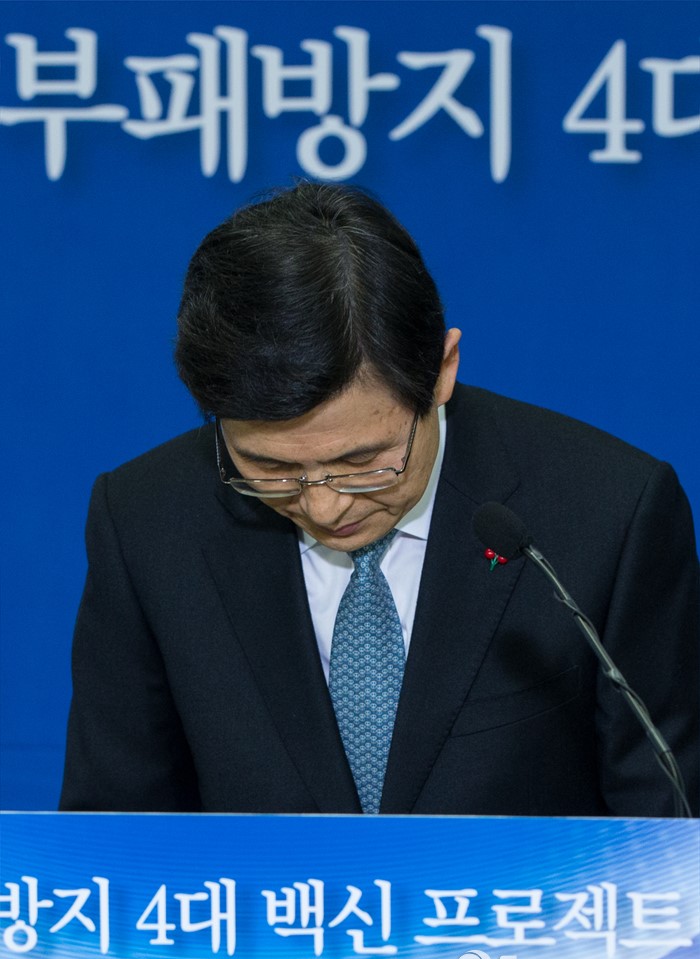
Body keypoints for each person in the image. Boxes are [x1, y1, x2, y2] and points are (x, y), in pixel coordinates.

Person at [60, 182, 699, 817]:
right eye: (270, 469)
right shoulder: (146, 519)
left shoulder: (610, 510)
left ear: (442, 370)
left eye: (362, 463)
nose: (324, 507)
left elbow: (668, 823)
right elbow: (113, 830)